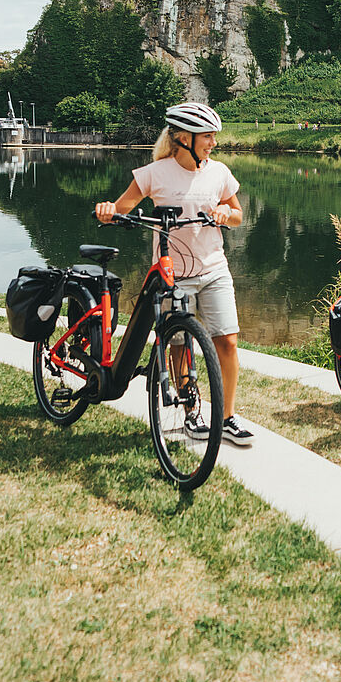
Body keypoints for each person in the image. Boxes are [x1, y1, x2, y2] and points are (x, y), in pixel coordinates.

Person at [95, 102, 253, 447]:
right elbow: (122, 209)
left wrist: (227, 212)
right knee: (179, 344)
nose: (213, 143)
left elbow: (239, 215)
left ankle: (225, 417)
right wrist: (108, 211)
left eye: (213, 136)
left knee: (227, 340)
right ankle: (192, 411)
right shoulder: (154, 173)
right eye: (207, 136)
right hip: (172, 274)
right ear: (183, 138)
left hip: (214, 269)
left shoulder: (219, 173)